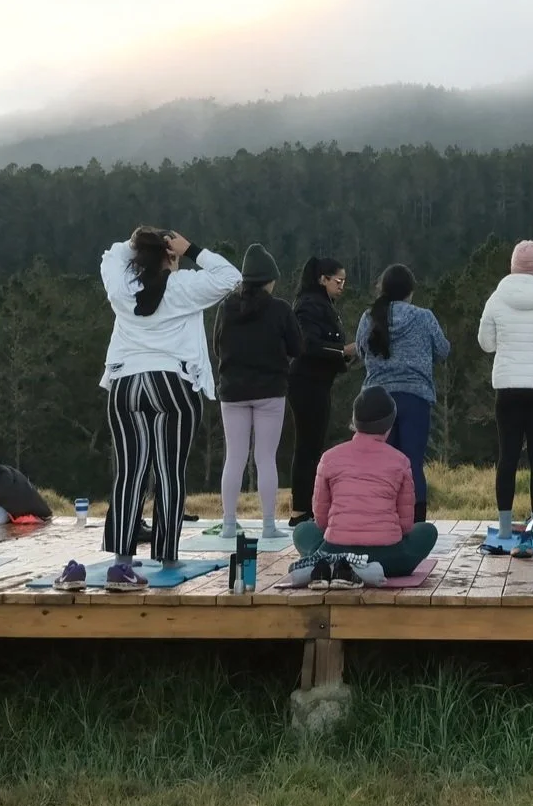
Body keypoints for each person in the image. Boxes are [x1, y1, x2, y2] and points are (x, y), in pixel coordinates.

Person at [99, 226, 242, 574]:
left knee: (129, 472)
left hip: (125, 383)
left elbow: (110, 256)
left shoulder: (120, 286)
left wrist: (134, 243)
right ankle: (166, 554)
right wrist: (192, 248)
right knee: (168, 472)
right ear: (169, 256)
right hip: (171, 384)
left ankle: (122, 556)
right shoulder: (183, 287)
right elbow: (230, 277)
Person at [293, 386, 438, 578]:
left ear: (354, 421)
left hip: (336, 551)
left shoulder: (329, 458)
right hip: (388, 558)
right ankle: (369, 568)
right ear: (389, 424)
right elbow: (406, 525)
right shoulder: (400, 461)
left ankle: (333, 565)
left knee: (302, 530)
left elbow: (321, 519)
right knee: (428, 531)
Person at [477, 239, 533, 544]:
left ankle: (504, 527)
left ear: (513, 265)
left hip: (508, 387)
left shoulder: (497, 299)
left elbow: (486, 343)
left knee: (508, 457)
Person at [213, 243, 301, 543]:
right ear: (269, 279)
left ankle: (227, 524)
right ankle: (267, 525)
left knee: (234, 457)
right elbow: (296, 348)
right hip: (270, 391)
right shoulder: (280, 309)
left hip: (232, 391)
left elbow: (217, 347)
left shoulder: (226, 308)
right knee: (265, 458)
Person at [352, 264, 453, 522]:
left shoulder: (369, 317)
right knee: (411, 464)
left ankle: (380, 519)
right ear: (410, 292)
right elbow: (443, 350)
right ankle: (415, 522)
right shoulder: (424, 317)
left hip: (376, 400)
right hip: (415, 397)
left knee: (379, 464)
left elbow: (362, 352)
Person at [285, 257, 351, 525]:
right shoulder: (309, 305)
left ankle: (308, 506)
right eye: (338, 281)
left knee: (312, 445)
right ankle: (301, 509)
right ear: (322, 279)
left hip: (319, 381)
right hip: (307, 382)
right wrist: (342, 351)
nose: (342, 286)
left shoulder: (323, 304)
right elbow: (308, 344)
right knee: (307, 446)